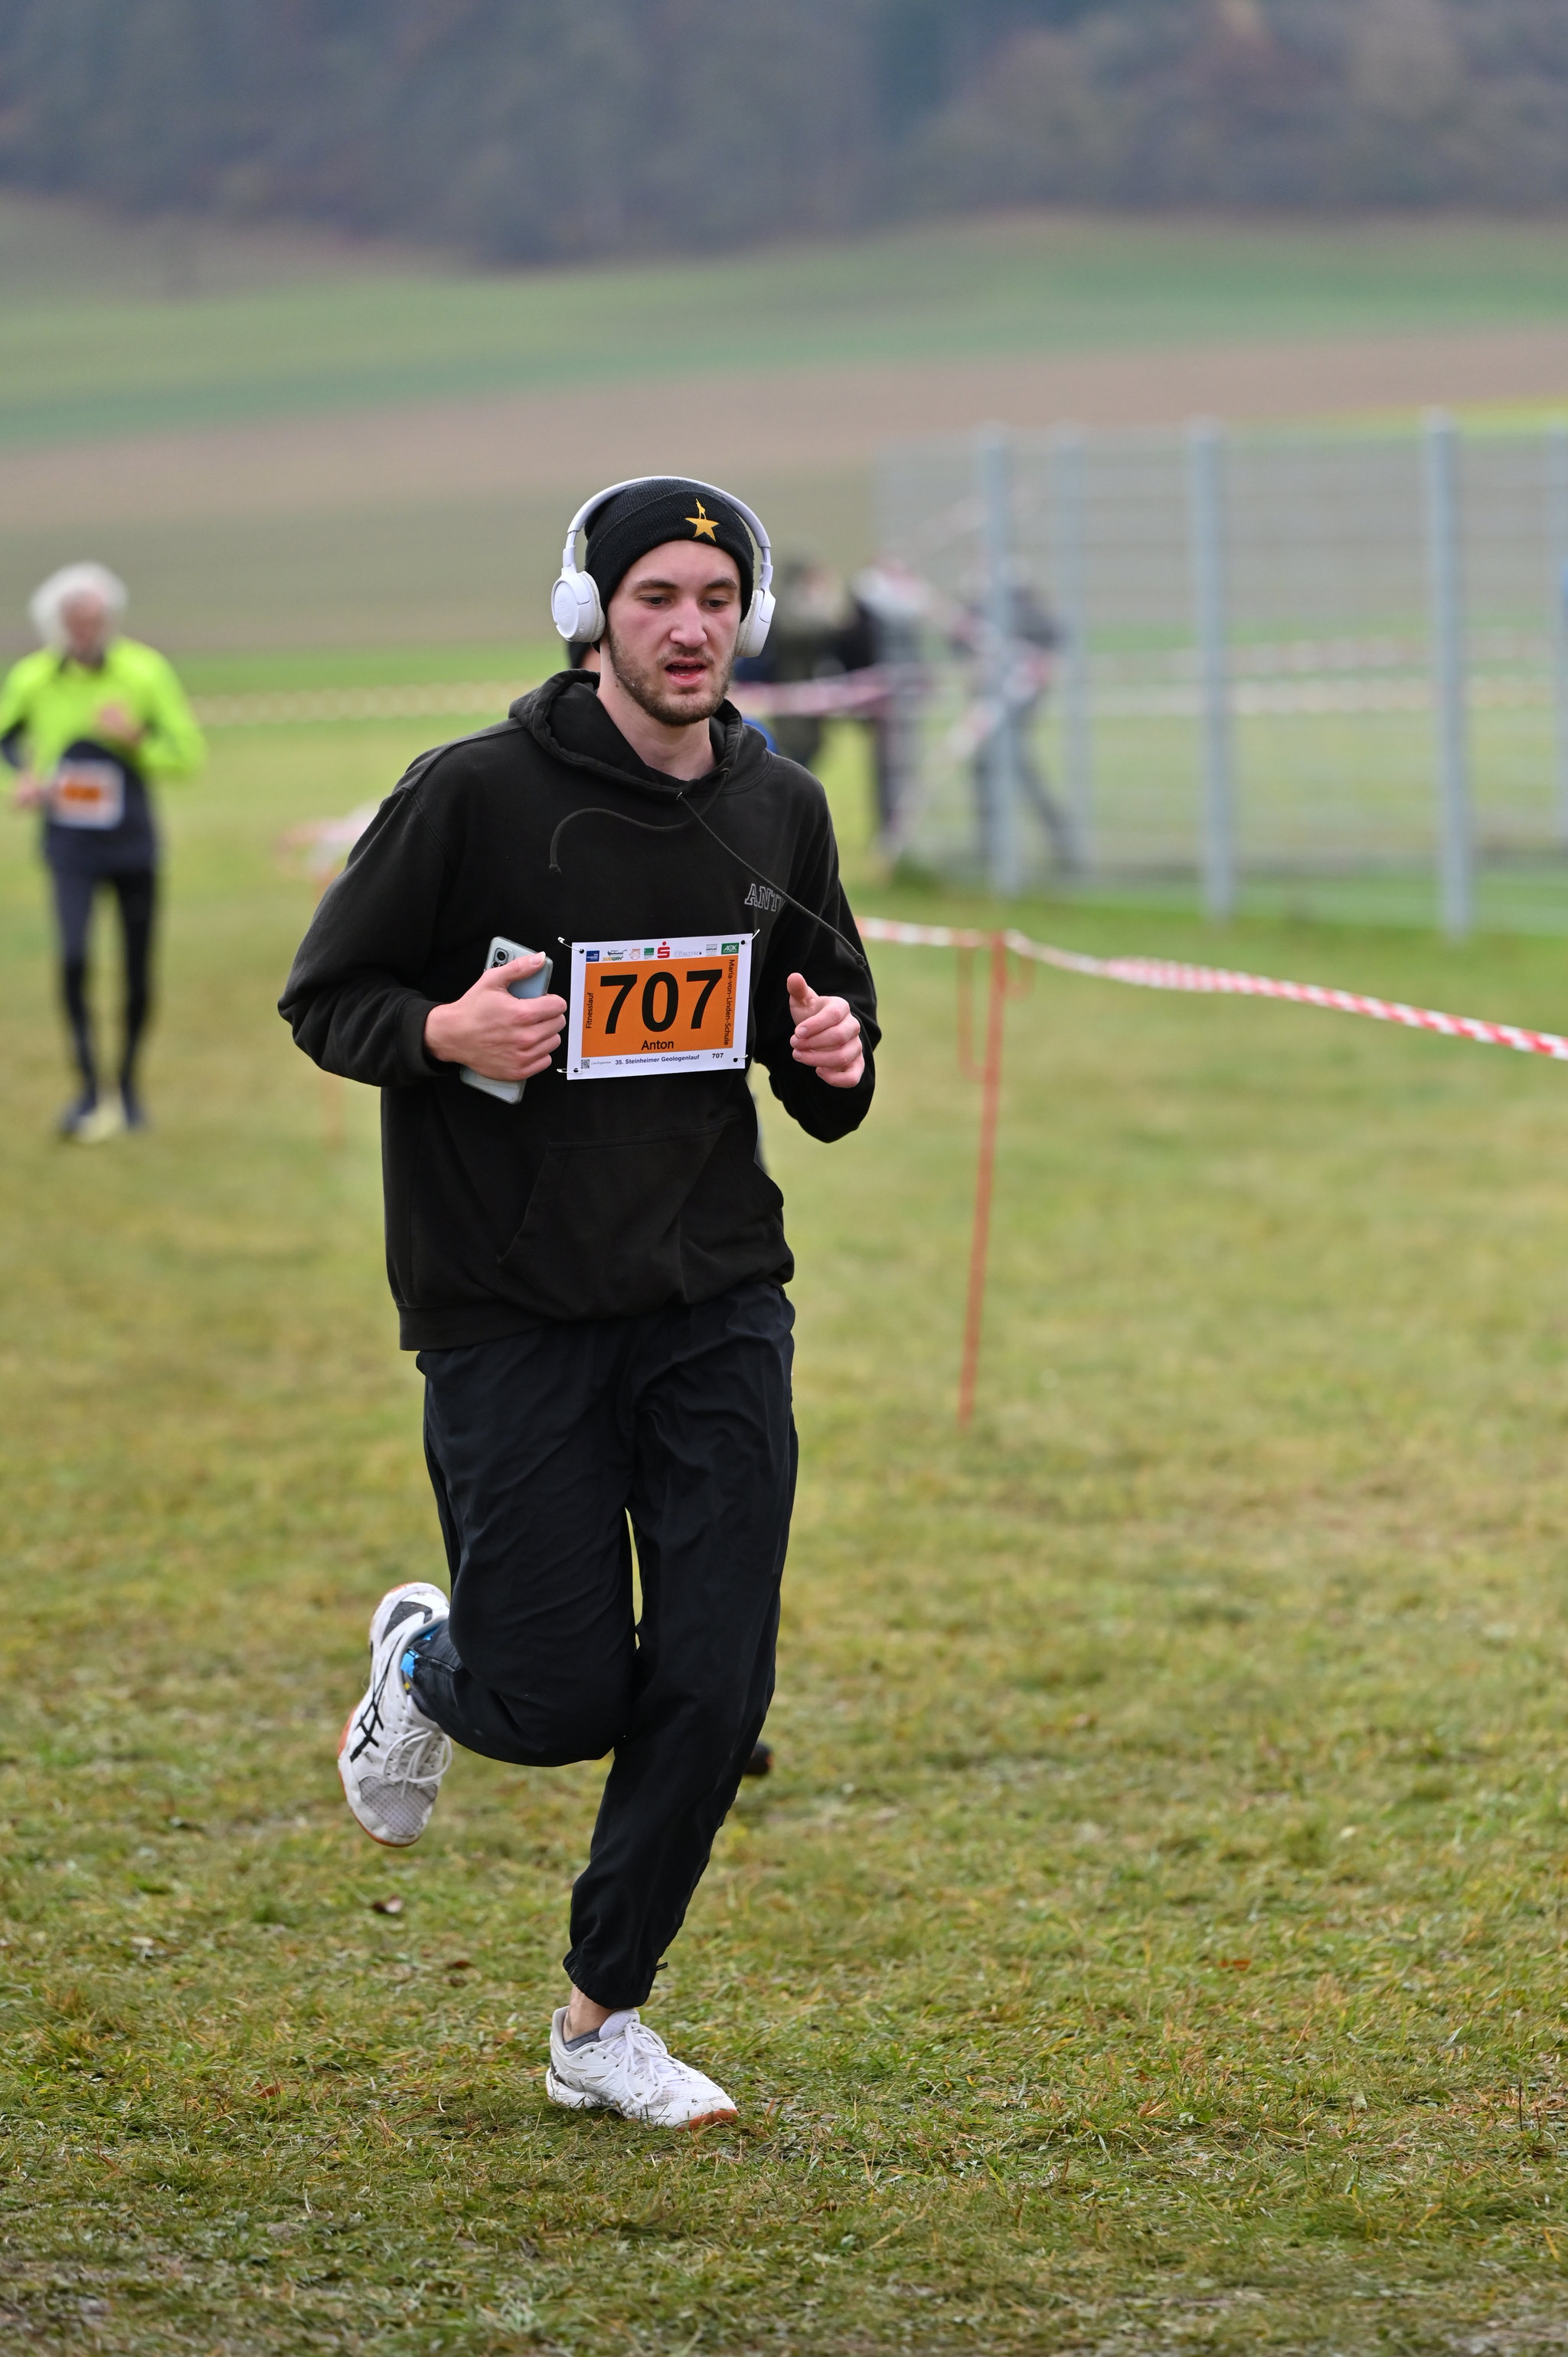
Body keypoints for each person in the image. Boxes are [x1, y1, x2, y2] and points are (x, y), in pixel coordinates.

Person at [280, 476, 877, 2128]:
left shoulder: (780, 807)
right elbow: (328, 996)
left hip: (713, 1296)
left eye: (714, 598)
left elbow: (825, 1055)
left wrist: (833, 1056)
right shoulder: (473, 793)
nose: (688, 628)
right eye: (653, 597)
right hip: (509, 1304)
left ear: (749, 618)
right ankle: (428, 1664)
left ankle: (600, 2022)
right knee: (553, 1700)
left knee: (715, 1681)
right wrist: (440, 1033)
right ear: (591, 614)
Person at [0, 563, 205, 1139]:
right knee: (73, 959)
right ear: (55, 623)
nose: (85, 629)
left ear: (110, 619)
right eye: (74, 620)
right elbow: (5, 741)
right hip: (69, 845)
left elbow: (187, 754)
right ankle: (88, 1086)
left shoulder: (143, 671)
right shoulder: (34, 678)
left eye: (94, 618)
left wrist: (135, 740)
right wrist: (21, 780)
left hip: (132, 843)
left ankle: (130, 1085)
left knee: (137, 970)